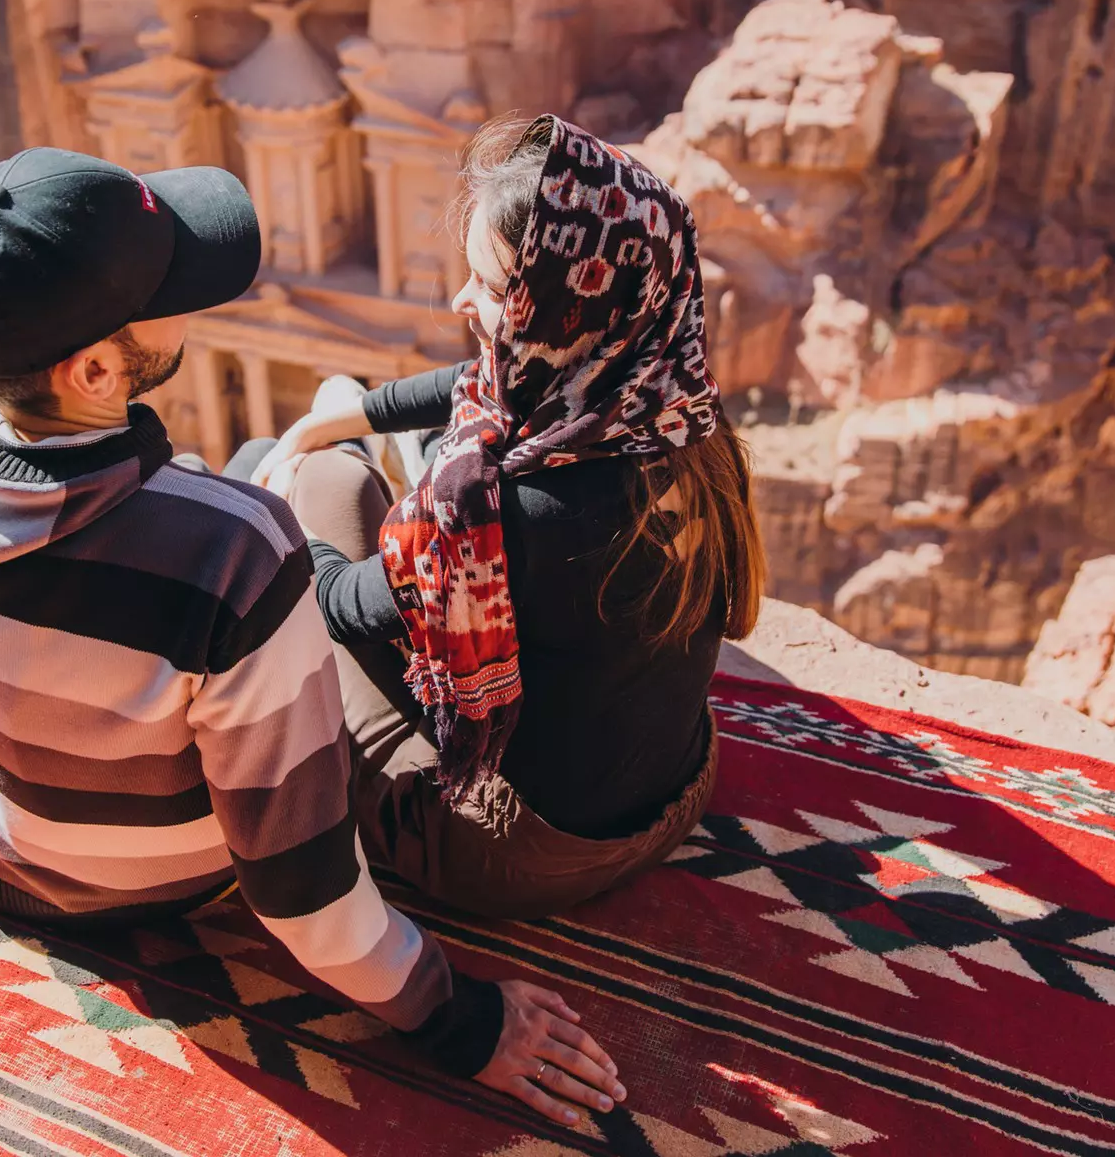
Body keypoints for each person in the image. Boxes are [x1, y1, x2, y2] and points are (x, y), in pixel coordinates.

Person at [0, 146, 625, 1126]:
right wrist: (461, 1018)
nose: (193, 294)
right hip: (146, 886)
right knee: (271, 477)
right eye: (166, 289)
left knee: (257, 464)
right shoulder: (229, 548)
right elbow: (300, 889)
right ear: (93, 369)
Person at [243, 115, 766, 920]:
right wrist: (343, 418)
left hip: (513, 857)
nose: (462, 300)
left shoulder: (517, 514)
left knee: (319, 496)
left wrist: (276, 505)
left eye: (490, 290)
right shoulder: (680, 414)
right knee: (335, 442)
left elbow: (341, 605)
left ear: (563, 313)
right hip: (681, 789)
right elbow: (481, 379)